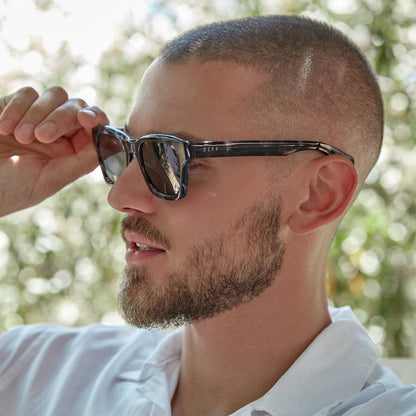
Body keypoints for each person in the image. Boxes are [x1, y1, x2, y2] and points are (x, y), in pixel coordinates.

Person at [0, 14, 414, 416]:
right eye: (125, 149)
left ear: (317, 196)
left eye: (171, 156)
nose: (121, 196)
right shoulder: (34, 374)